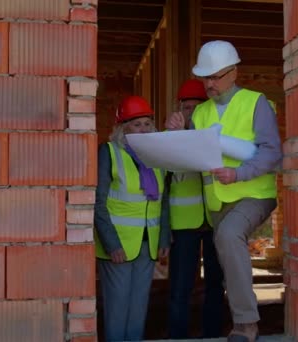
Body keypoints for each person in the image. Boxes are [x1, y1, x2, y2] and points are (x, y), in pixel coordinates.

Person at [166, 40, 282, 342]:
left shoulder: (256, 103)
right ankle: (231, 321)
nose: (209, 83)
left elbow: (272, 153)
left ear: (233, 73)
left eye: (215, 76)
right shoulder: (201, 112)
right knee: (225, 252)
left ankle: (246, 324)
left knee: (229, 235)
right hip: (217, 201)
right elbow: (191, 156)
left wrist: (239, 173)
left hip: (254, 193)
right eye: (205, 77)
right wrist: (177, 135)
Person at [94, 95, 171, 342]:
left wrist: (164, 239)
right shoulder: (109, 153)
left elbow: (163, 200)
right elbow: (98, 202)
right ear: (122, 128)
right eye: (136, 124)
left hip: (148, 244)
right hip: (118, 246)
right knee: (117, 309)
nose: (143, 129)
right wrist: (111, 243)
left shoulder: (157, 157)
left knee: (139, 308)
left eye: (147, 123)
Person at [167, 79, 225, 339]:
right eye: (187, 107)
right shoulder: (170, 138)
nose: (191, 112)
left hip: (215, 220)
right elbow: (163, 176)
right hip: (184, 225)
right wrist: (176, 137)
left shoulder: (218, 134)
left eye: (196, 107)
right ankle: (178, 335)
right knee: (181, 286)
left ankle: (212, 334)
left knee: (216, 283)